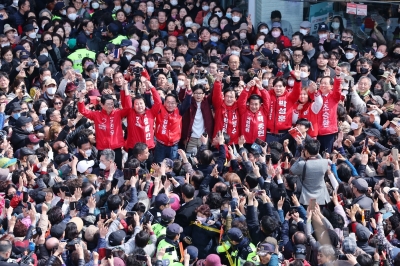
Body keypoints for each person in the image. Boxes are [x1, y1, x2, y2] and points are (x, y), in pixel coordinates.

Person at [78, 81, 131, 169]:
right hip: (102, 149)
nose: (111, 106)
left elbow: (128, 107)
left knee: (117, 171)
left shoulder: (118, 113)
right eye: (108, 104)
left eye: (112, 104)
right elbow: (83, 111)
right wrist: (81, 98)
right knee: (102, 171)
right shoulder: (96, 115)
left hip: (116, 148)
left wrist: (125, 88)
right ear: (102, 105)